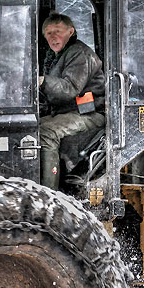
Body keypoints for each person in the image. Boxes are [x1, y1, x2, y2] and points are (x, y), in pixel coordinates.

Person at [38, 13, 106, 189]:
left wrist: (42, 81)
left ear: (70, 32)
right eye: (49, 32)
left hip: (90, 113)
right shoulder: (56, 56)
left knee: (46, 131)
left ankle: (48, 195)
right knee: (28, 126)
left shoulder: (79, 54)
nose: (53, 37)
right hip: (69, 112)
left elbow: (69, 89)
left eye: (58, 31)